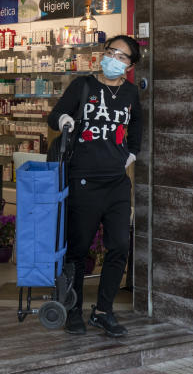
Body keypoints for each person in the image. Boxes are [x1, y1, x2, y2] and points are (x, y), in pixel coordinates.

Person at [47, 34, 142, 337]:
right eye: (111, 51)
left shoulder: (130, 94)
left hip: (116, 184)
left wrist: (124, 159)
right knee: (77, 250)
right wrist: (65, 121)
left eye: (122, 56)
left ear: (130, 65)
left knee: (119, 247)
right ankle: (73, 309)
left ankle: (103, 311)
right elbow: (54, 116)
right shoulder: (83, 85)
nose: (114, 58)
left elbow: (136, 133)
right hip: (83, 181)